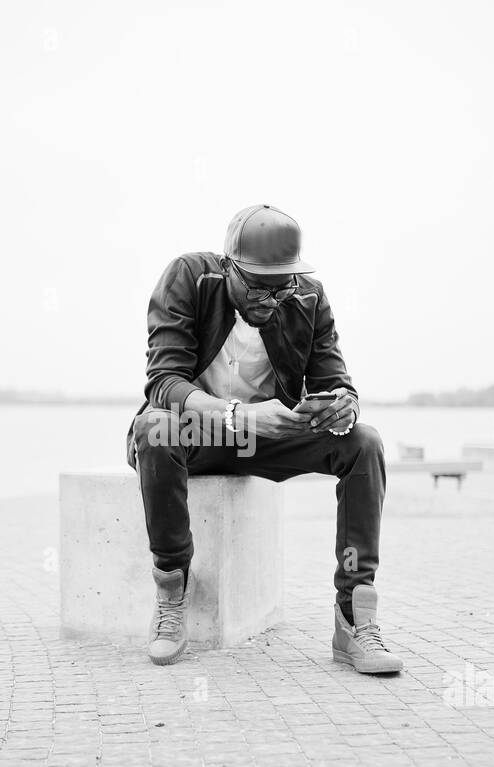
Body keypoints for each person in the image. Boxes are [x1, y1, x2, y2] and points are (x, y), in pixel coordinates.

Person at [124, 204, 401, 674]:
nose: (272, 300)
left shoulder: (309, 297)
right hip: (201, 432)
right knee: (155, 429)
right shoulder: (189, 277)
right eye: (258, 287)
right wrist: (238, 416)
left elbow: (336, 379)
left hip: (269, 437)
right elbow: (164, 384)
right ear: (229, 266)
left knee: (365, 444)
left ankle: (354, 617)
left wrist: (341, 406)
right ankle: (172, 592)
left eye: (283, 287)